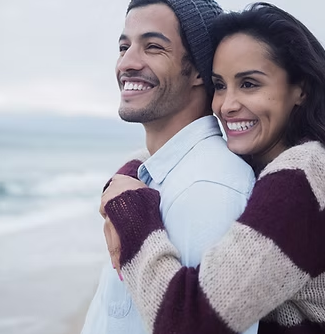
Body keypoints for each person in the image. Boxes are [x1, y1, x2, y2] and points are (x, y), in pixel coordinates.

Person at [101, 2, 325, 334]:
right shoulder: (268, 160)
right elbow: (163, 153)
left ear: (300, 89)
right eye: (220, 85)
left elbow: (188, 322)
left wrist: (131, 216)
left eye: (250, 84)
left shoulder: (304, 174)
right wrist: (128, 175)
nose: (227, 105)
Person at [81, 1, 258, 334]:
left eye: (153, 47)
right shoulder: (154, 177)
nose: (127, 62)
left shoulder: (208, 190)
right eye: (124, 46)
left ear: (197, 71)